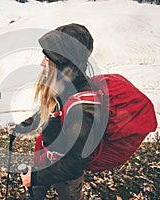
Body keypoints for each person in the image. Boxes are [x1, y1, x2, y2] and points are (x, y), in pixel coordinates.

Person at [10, 23, 103, 200]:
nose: (41, 63)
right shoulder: (63, 86)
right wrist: (23, 127)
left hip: (66, 174)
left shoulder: (83, 105)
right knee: (36, 192)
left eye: (48, 58)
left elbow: (73, 165)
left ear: (63, 62)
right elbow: (48, 113)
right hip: (45, 156)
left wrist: (34, 177)